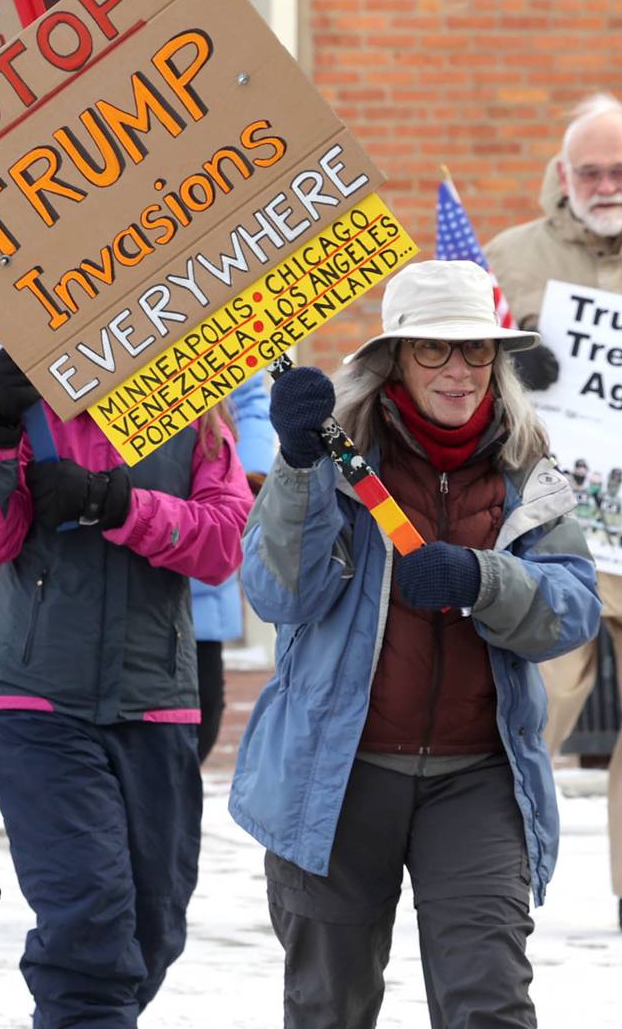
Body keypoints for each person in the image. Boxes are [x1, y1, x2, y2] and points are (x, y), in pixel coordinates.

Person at [231, 259, 602, 1028]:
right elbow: (279, 594)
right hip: (336, 776)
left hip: (479, 780)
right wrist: (298, 468)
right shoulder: (337, 459)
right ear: (395, 356)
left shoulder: (526, 464)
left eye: (475, 350)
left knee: (490, 1002)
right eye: (433, 348)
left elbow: (573, 608)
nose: (459, 370)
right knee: (328, 1006)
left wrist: (483, 578)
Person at [0, 347, 252, 1026]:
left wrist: (118, 505)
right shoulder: (23, 387)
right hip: (36, 698)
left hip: (156, 699)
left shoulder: (193, 397)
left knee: (153, 925)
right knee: (90, 916)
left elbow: (225, 542)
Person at [485, 93, 622, 932]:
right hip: (548, 524)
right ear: (561, 174)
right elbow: (459, 369)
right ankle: (495, 865)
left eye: (621, 170)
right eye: (591, 170)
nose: (607, 184)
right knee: (530, 703)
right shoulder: (511, 257)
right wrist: (521, 367)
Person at [191, 375, 273, 764]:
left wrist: (249, 476)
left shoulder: (199, 313)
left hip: (194, 586)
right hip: (82, 562)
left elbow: (246, 396)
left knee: (197, 730)